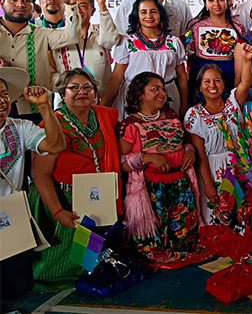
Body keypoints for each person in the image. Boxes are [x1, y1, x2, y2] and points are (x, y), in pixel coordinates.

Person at [29, 69, 120, 291]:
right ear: (63, 93)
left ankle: (86, 275)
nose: (82, 92)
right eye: (74, 88)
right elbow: (40, 174)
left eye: (87, 87)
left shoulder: (104, 116)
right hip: (62, 195)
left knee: (88, 254)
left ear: (95, 93)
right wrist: (58, 212)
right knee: (59, 258)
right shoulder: (52, 124)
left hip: (97, 194)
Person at [118, 72, 207, 268]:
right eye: (155, 89)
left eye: (162, 89)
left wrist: (190, 152)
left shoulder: (172, 116)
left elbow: (185, 142)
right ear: (140, 94)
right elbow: (122, 162)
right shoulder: (130, 124)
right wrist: (147, 157)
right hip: (151, 189)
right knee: (156, 237)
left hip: (180, 184)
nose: (162, 93)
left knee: (185, 234)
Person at [0, 67, 66, 298]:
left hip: (11, 219)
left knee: (16, 285)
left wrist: (44, 107)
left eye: (4, 95)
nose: (1, 102)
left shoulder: (19, 128)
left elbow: (56, 145)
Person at [0, 0, 81, 117]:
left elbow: (71, 36)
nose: (20, 4)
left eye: (27, 0)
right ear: (2, 2)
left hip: (35, 110)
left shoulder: (41, 34)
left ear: (33, 6)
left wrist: (71, 6)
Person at [102, 0, 190, 120]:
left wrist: (184, 105)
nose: (149, 16)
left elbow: (181, 76)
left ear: (161, 14)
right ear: (137, 16)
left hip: (166, 95)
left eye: (153, 11)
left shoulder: (174, 42)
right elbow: (117, 76)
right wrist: (104, 105)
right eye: (143, 12)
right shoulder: (127, 42)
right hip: (135, 97)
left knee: (167, 134)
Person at [184, 63, 250, 225]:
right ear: (199, 86)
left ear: (224, 83)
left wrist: (247, 60)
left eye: (217, 80)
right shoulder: (194, 115)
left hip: (238, 166)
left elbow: (246, 82)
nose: (212, 85)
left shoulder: (233, 104)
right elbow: (200, 154)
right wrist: (208, 185)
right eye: (206, 81)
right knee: (217, 216)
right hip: (213, 170)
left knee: (241, 214)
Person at [50, 0, 117, 100]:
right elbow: (50, 73)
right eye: (73, 6)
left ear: (93, 11)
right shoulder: (56, 36)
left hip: (101, 100)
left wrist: (102, 6)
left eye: (83, 6)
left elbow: (110, 40)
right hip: (65, 101)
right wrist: (69, 89)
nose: (78, 10)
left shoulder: (101, 31)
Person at [185, 0, 245, 98]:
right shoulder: (195, 25)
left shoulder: (237, 28)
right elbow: (189, 54)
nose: (216, 4)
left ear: (227, 2)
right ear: (205, 4)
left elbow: (240, 58)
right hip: (202, 75)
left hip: (229, 75)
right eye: (211, 0)